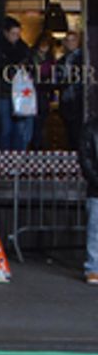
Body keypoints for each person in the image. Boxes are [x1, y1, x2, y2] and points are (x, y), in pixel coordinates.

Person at [0, 15, 37, 153]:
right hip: (4, 93)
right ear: (5, 33)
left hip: (19, 93)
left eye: (18, 34)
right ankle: (5, 158)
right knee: (6, 128)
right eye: (13, 34)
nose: (16, 37)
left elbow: (31, 68)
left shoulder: (23, 49)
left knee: (19, 128)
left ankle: (16, 159)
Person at [79, 104, 98, 288]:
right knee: (95, 230)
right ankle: (93, 267)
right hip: (96, 188)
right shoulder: (90, 128)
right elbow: (86, 161)